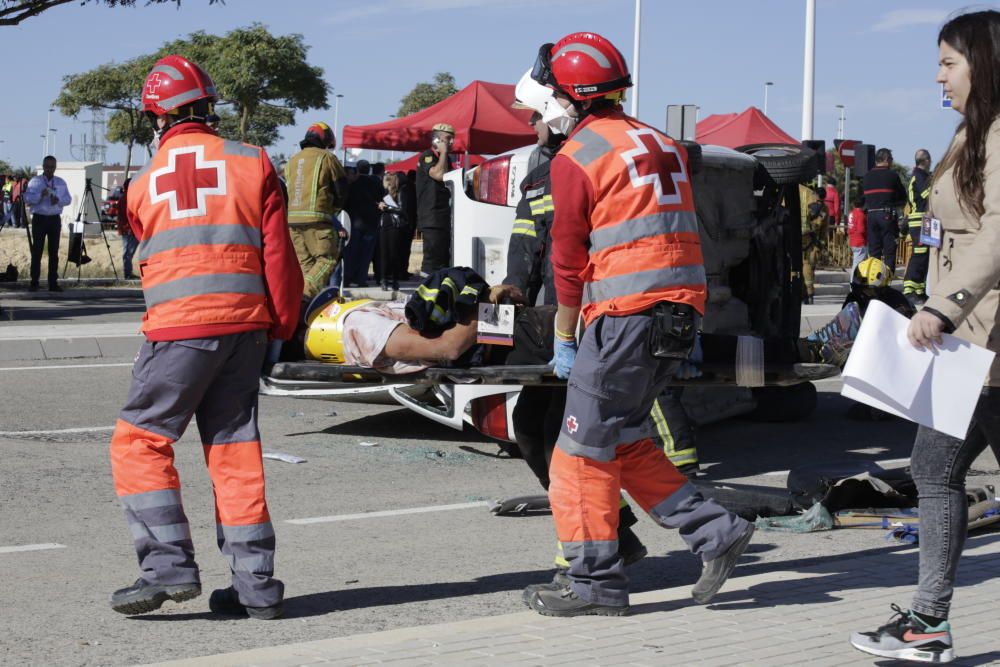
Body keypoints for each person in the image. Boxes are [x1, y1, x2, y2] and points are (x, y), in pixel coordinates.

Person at [519, 32, 753, 618]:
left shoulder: (576, 157)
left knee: (577, 454)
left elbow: (568, 264)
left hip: (623, 318)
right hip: (677, 313)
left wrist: (566, 339)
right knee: (621, 439)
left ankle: (594, 583)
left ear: (566, 96)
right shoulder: (659, 141)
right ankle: (716, 532)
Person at [108, 55, 303, 620]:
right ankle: (256, 587)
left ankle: (166, 567)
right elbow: (278, 257)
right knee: (234, 450)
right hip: (246, 327)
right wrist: (281, 327)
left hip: (178, 331)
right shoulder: (254, 161)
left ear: (157, 117)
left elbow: (149, 250)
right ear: (207, 107)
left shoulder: (143, 184)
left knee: (139, 441)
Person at [851, 11, 1000, 663]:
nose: (937, 75)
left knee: (933, 468)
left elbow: (997, 234)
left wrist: (942, 306)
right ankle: (928, 622)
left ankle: (928, 621)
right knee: (932, 467)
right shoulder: (969, 133)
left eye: (948, 62)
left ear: (984, 64)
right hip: (964, 342)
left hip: (986, 338)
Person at [285, 121, 349, 299]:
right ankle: (305, 298)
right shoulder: (326, 157)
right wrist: (334, 209)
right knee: (327, 260)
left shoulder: (293, 160)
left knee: (306, 265)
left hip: (292, 222)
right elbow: (341, 188)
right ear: (325, 139)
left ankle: (304, 302)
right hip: (318, 220)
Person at [23, 156, 71, 292]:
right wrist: (40, 196)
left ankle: (53, 283)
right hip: (39, 219)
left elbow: (68, 199)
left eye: (52, 167)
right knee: (37, 251)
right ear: (43, 167)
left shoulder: (60, 182)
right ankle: (34, 282)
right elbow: (26, 198)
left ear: (55, 167)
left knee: (53, 252)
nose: (50, 169)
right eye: (47, 166)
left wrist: (59, 200)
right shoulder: (35, 181)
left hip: (54, 219)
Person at [416, 122, 456, 275]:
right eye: (448, 138)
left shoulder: (446, 160)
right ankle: (425, 292)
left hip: (442, 216)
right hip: (432, 217)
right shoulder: (428, 156)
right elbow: (438, 175)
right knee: (432, 262)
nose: (451, 142)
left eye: (453, 139)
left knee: (442, 261)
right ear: (437, 141)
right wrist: (444, 153)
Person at [862, 147, 907, 272]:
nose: (892, 162)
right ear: (887, 159)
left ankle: (875, 279)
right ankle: (887, 279)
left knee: (874, 251)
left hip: (871, 215)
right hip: (887, 215)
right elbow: (902, 197)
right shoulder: (892, 175)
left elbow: (863, 198)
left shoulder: (866, 176)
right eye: (891, 159)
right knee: (889, 250)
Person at [343, 159, 382, 287]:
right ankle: (361, 278)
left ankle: (348, 278)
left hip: (354, 222)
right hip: (371, 222)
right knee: (366, 254)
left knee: (351, 253)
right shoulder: (376, 182)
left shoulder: (351, 183)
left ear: (357, 170)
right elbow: (382, 199)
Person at [903, 149, 933, 306]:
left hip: (925, 221)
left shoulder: (921, 176)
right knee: (919, 255)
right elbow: (929, 194)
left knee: (925, 257)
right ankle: (909, 291)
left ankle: (919, 291)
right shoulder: (920, 176)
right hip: (919, 221)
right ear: (926, 161)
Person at [377, 172, 409, 291]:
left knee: (394, 254)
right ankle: (384, 279)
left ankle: (395, 280)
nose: (386, 183)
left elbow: (401, 209)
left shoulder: (400, 193)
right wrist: (380, 205)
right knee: (383, 254)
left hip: (394, 226)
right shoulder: (384, 193)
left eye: (388, 181)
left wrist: (387, 207)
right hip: (384, 225)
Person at [802, 187, 828, 305]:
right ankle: (809, 294)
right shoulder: (825, 209)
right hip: (814, 243)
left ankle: (804, 294)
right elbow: (824, 230)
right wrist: (822, 245)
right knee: (809, 269)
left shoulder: (806, 205)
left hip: (802, 240)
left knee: (798, 268)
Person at [114, 181, 138, 280]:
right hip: (129, 229)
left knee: (129, 252)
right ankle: (128, 274)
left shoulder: (126, 198)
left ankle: (128, 273)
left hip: (130, 229)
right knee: (128, 252)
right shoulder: (127, 198)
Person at [847, 194, 868, 277]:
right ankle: (853, 285)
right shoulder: (861, 215)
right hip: (860, 242)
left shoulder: (851, 213)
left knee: (857, 264)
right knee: (857, 266)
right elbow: (861, 230)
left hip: (853, 240)